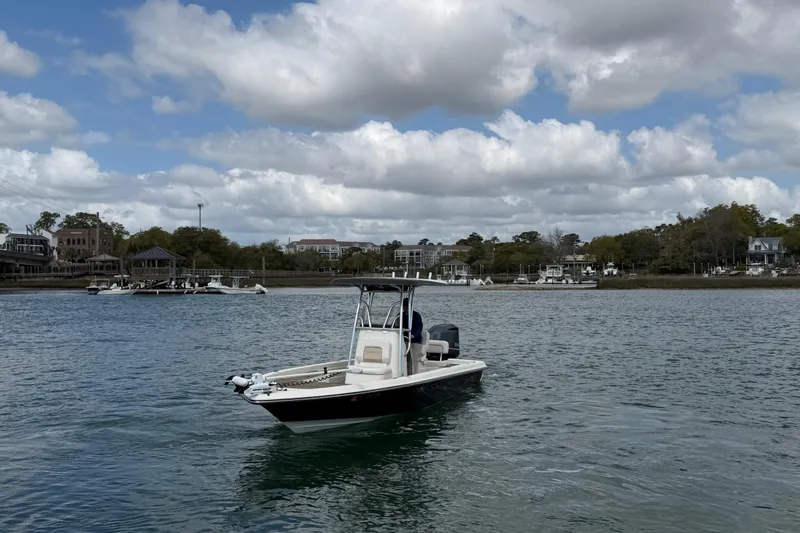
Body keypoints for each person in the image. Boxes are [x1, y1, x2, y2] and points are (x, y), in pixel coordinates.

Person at [399, 297, 423, 375]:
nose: (405, 308)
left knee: (413, 359)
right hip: (403, 340)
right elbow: (396, 325)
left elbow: (419, 328)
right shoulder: (399, 315)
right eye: (404, 306)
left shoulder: (416, 316)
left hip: (415, 341)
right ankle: (403, 372)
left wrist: (413, 335)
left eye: (407, 306)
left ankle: (414, 374)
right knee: (402, 358)